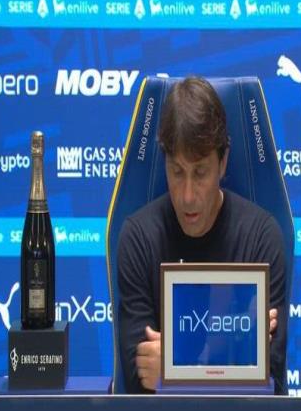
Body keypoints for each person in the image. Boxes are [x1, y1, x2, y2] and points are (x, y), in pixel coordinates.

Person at [117, 76, 287, 394]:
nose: (187, 196)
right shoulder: (138, 238)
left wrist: (175, 366)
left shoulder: (262, 237)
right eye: (177, 172)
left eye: (200, 172)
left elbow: (269, 378)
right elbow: (141, 373)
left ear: (223, 162)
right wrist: (240, 351)